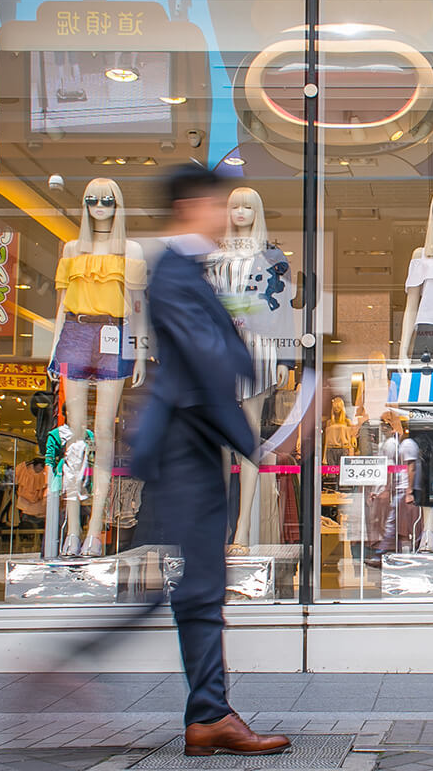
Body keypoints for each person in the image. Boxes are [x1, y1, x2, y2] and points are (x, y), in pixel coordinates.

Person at [130, 164, 290, 756]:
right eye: (221, 205)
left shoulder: (187, 270)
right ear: (195, 205)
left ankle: (209, 714)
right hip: (185, 449)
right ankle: (209, 716)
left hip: (194, 446)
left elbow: (223, 357)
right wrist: (257, 444)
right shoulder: (174, 273)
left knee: (200, 584)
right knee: (198, 585)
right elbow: (207, 365)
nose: (227, 215)